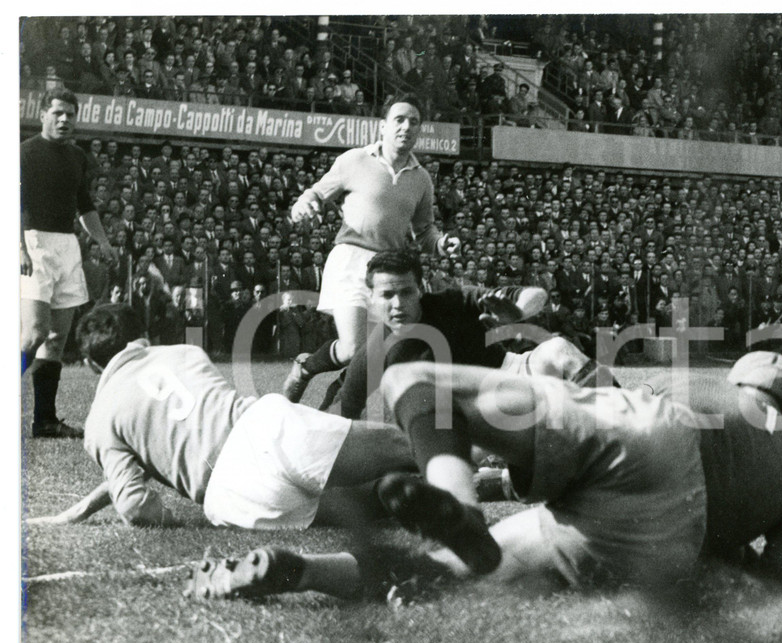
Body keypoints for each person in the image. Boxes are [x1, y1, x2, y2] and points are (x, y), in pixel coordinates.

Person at [189, 351, 782, 599]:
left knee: (415, 382)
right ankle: (301, 570)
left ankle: (459, 500)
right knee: (455, 571)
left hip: (647, 435)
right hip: (664, 536)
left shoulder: (698, 383)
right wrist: (724, 546)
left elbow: (597, 401)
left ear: (740, 379)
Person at [28, 304, 417, 531]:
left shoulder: (98, 424)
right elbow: (192, 424)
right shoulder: (182, 353)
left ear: (92, 365)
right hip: (262, 430)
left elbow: (135, 500)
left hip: (232, 497)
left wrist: (178, 523)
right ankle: (470, 466)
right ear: (140, 339)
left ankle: (436, 484)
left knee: (379, 502)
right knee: (406, 447)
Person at [283, 94, 459, 398]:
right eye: (399, 120)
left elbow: (425, 232)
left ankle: (332, 407)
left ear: (419, 130)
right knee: (353, 349)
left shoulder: (422, 179)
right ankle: (307, 368)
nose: (406, 126)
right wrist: (303, 205)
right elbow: (315, 194)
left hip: (389, 270)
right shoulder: (355, 160)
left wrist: (443, 244)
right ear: (383, 126)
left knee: (377, 357)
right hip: (350, 258)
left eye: (413, 122)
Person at [312, 250, 602, 417]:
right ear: (371, 297)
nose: (398, 304)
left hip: (508, 375)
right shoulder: (374, 352)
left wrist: (515, 313)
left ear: (421, 289)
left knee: (559, 349)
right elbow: (341, 415)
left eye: (406, 292)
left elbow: (535, 294)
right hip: (466, 418)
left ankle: (630, 424)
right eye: (387, 295)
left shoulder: (451, 300)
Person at [21, 88, 114, 438]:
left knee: (56, 339)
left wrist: (101, 240)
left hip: (66, 245)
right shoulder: (24, 153)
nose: (64, 120)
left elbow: (84, 204)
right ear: (43, 114)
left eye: (70, 115)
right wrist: (18, 247)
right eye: (57, 113)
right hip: (31, 241)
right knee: (33, 333)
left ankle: (44, 420)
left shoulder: (76, 157)